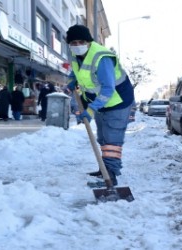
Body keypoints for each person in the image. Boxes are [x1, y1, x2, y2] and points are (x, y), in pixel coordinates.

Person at [65, 24, 135, 186]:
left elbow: (108, 88)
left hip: (118, 101)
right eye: (73, 43)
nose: (77, 46)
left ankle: (110, 175)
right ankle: (103, 168)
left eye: (80, 42)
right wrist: (71, 80)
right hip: (100, 101)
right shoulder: (76, 56)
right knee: (102, 136)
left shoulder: (102, 58)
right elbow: (76, 71)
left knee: (112, 138)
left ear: (88, 42)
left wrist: (90, 109)